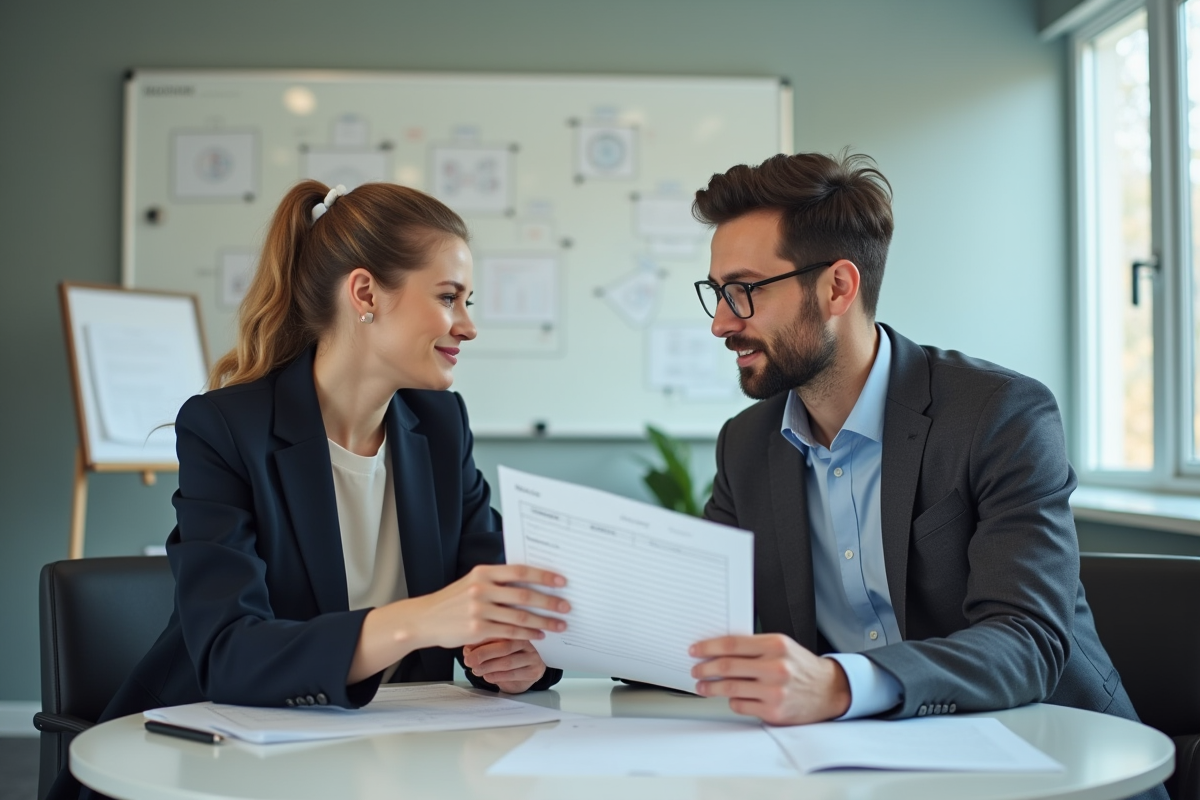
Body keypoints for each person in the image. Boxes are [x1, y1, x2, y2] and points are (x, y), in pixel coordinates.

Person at [50, 181, 568, 800]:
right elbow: (230, 656)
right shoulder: (225, 429)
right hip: (224, 764)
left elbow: (496, 591)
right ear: (366, 293)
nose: (469, 326)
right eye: (449, 298)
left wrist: (521, 659)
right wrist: (418, 621)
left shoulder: (440, 426)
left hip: (394, 757)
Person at [685, 152, 1166, 799]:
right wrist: (540, 653)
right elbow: (705, 626)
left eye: (744, 291)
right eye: (716, 293)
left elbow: (1027, 640)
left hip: (1053, 763)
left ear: (836, 287)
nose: (721, 321)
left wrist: (839, 683)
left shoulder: (999, 414)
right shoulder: (747, 444)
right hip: (860, 770)